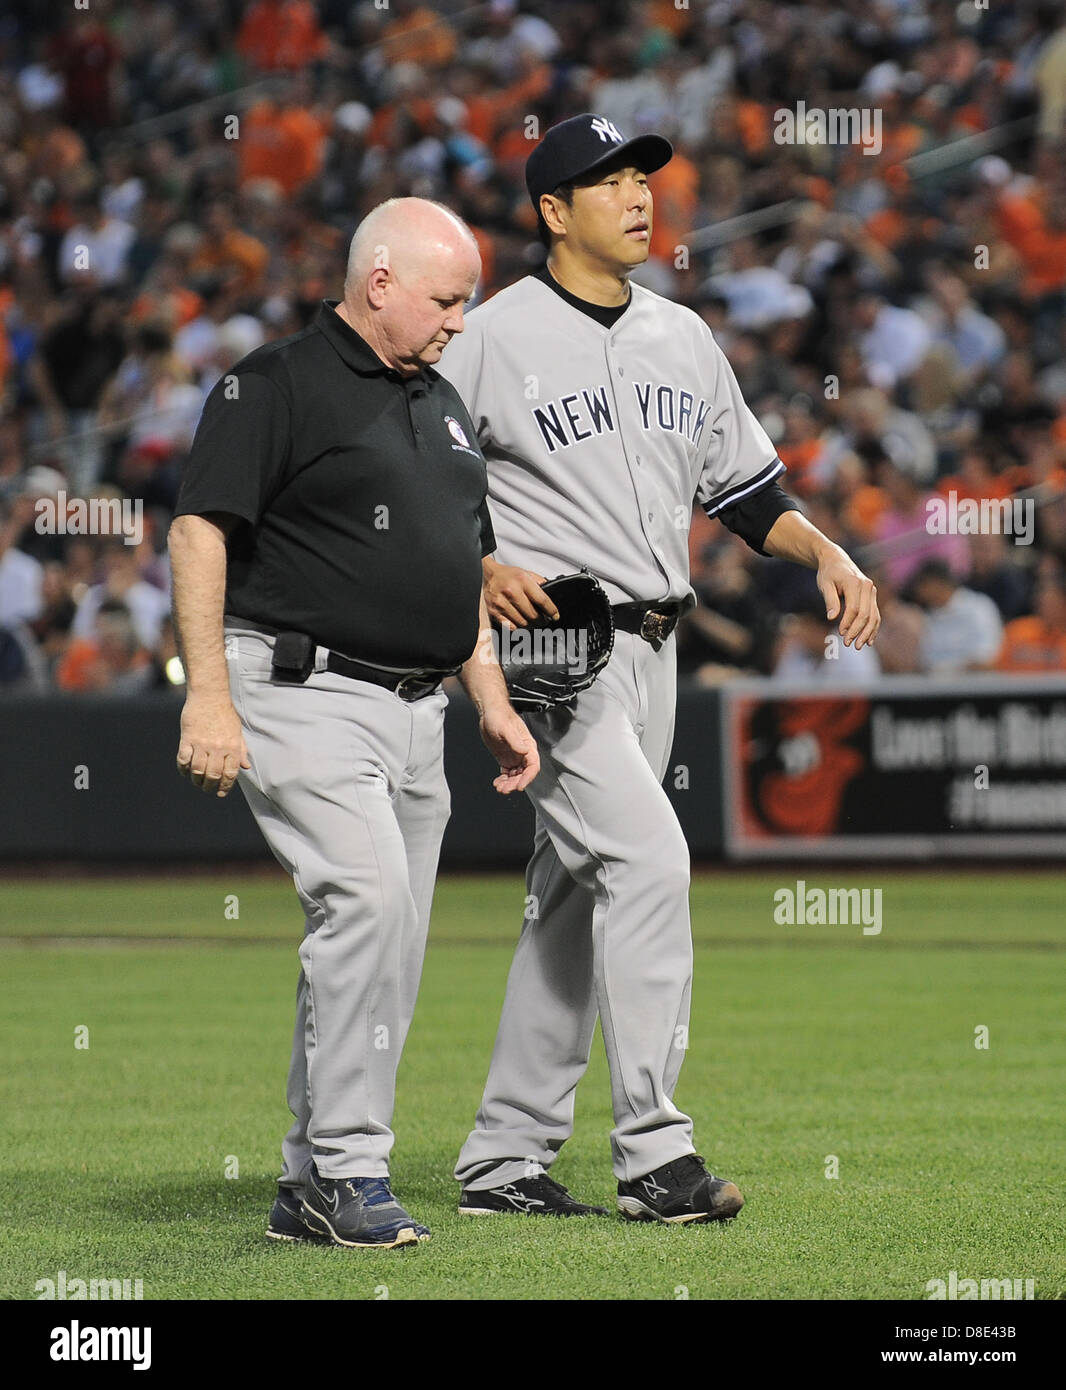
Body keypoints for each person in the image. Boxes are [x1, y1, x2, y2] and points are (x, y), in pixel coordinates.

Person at [437, 114, 879, 1224]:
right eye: (607, 181)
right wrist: (480, 560)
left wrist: (823, 547)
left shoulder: (682, 336)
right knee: (647, 862)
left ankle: (502, 1157)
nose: (637, 195)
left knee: (571, 901)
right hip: (551, 645)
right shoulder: (489, 337)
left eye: (642, 177)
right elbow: (411, 485)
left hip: (657, 644)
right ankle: (654, 1156)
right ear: (551, 212)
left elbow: (744, 493)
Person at [168, 197, 538, 1249]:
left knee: (390, 942)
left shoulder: (443, 399)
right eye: (447, 297)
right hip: (299, 686)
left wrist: (492, 698)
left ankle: (307, 1175)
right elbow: (199, 532)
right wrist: (207, 693)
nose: (460, 319)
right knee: (368, 906)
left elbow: (456, 562)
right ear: (380, 282)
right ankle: (345, 1168)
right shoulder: (274, 382)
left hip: (420, 707)